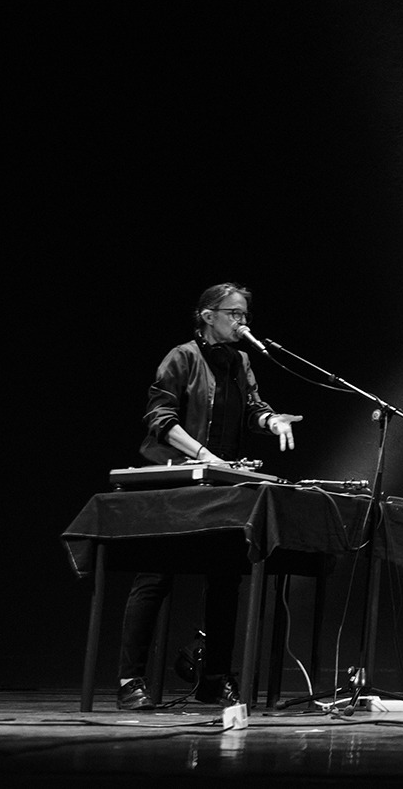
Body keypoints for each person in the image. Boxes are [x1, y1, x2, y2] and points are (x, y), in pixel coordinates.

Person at [116, 283, 302, 711]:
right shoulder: (182, 357)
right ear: (207, 315)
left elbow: (254, 406)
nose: (243, 323)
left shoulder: (241, 362)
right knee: (154, 575)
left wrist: (271, 420)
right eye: (235, 314)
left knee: (225, 577)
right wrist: (205, 455)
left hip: (220, 486)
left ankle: (214, 679)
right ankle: (130, 679)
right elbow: (159, 418)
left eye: (245, 316)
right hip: (173, 480)